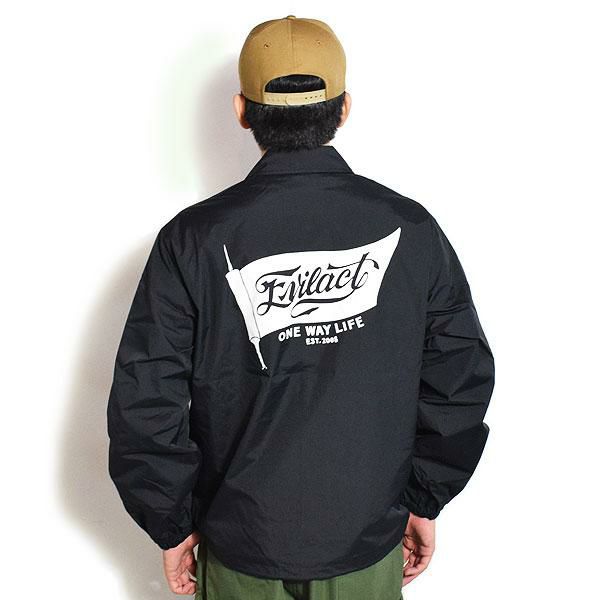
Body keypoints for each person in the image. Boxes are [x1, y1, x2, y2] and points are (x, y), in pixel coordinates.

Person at [106, 15, 495, 600]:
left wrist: (172, 523)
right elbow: (460, 378)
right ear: (344, 109)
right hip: (366, 543)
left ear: (242, 111)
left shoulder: (192, 239)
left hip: (240, 547)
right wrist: (424, 498)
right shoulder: (411, 231)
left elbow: (146, 399)